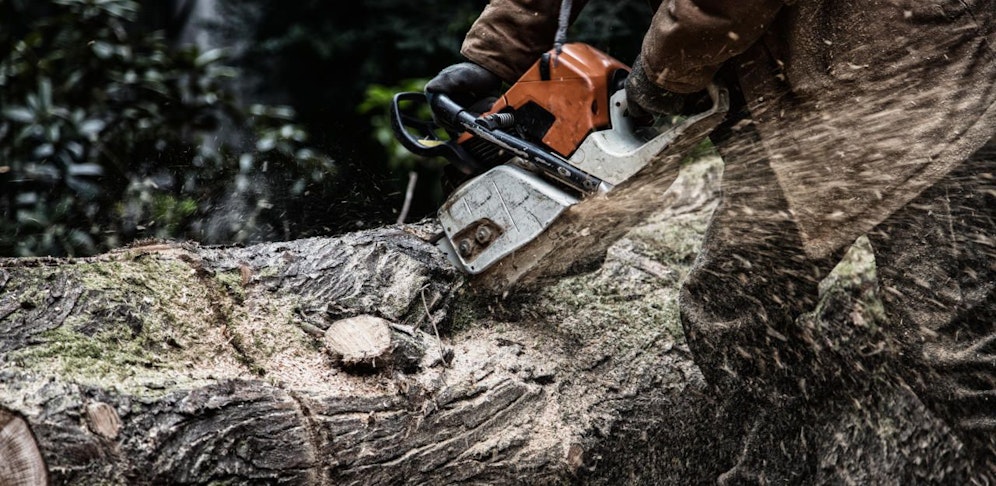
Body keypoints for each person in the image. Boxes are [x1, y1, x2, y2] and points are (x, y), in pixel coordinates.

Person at [425, 0, 995, 480]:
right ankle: (778, 469)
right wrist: (497, 56)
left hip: (924, 85)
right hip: (792, 99)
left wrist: (659, 80)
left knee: (957, 348)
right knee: (735, 311)